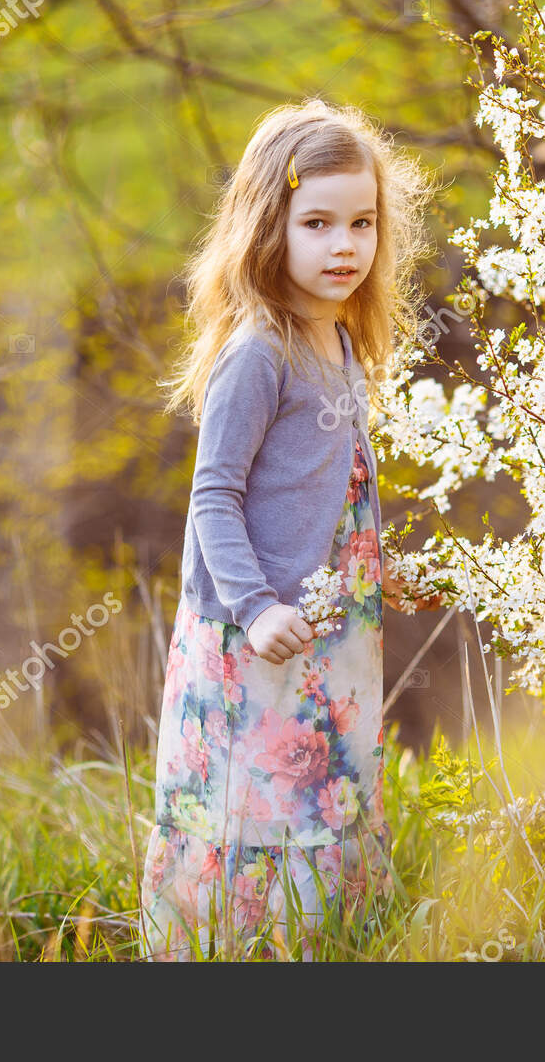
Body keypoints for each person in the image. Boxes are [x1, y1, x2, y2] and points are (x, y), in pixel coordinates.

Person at [140, 98, 446, 961]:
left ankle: (319, 949)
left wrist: (373, 569)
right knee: (258, 805)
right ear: (268, 226)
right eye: (317, 223)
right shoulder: (259, 351)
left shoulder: (338, 340)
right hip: (257, 631)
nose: (344, 245)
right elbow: (214, 497)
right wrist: (254, 602)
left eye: (362, 222)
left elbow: (334, 485)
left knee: (324, 800)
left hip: (330, 631)